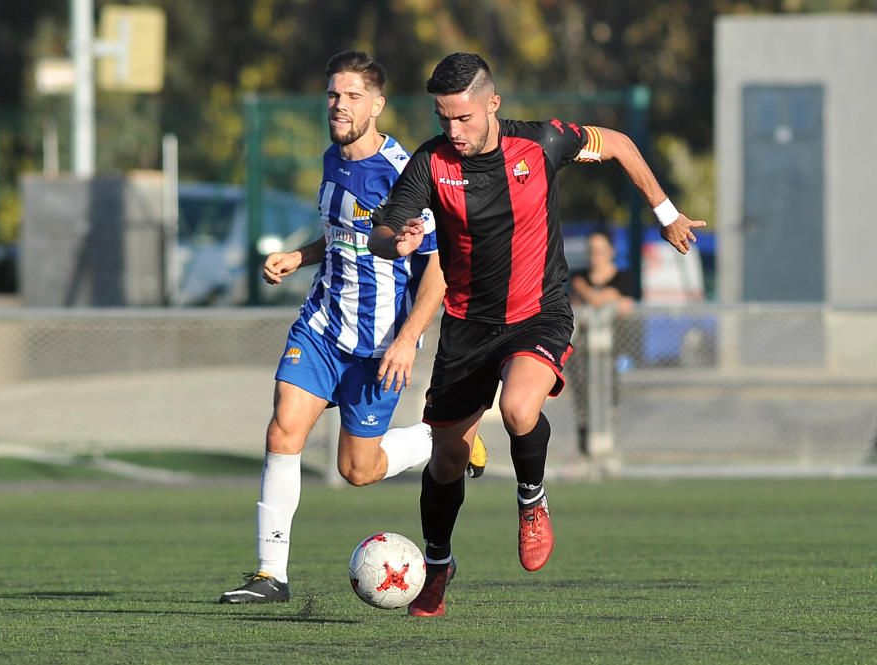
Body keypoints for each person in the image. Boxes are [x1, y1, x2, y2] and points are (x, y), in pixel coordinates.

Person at [369, 52, 705, 616]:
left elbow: (619, 143)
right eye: (442, 118)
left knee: (522, 409)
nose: (453, 130)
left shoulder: (544, 143)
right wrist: (393, 242)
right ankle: (438, 562)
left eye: (463, 117)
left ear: (492, 104)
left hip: (538, 312)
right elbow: (385, 227)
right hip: (468, 326)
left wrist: (666, 212)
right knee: (447, 460)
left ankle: (532, 501)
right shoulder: (430, 164)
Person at [219, 51, 487, 605]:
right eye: (333, 95)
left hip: (378, 344)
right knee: (282, 431)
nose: (340, 106)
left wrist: (408, 340)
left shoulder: (403, 174)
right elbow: (343, 234)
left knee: (357, 470)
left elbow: (437, 271)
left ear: (378, 105)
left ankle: (452, 439)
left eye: (353, 97)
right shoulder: (332, 159)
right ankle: (271, 575)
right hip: (321, 326)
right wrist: (300, 256)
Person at [566, 226, 638, 456]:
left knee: (610, 396)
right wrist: (603, 297)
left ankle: (609, 447)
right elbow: (587, 300)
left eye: (600, 250)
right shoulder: (578, 277)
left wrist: (591, 295)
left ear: (610, 251)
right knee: (582, 399)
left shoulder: (623, 277)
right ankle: (584, 449)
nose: (595, 256)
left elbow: (619, 303)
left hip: (612, 350)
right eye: (592, 251)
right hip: (583, 352)